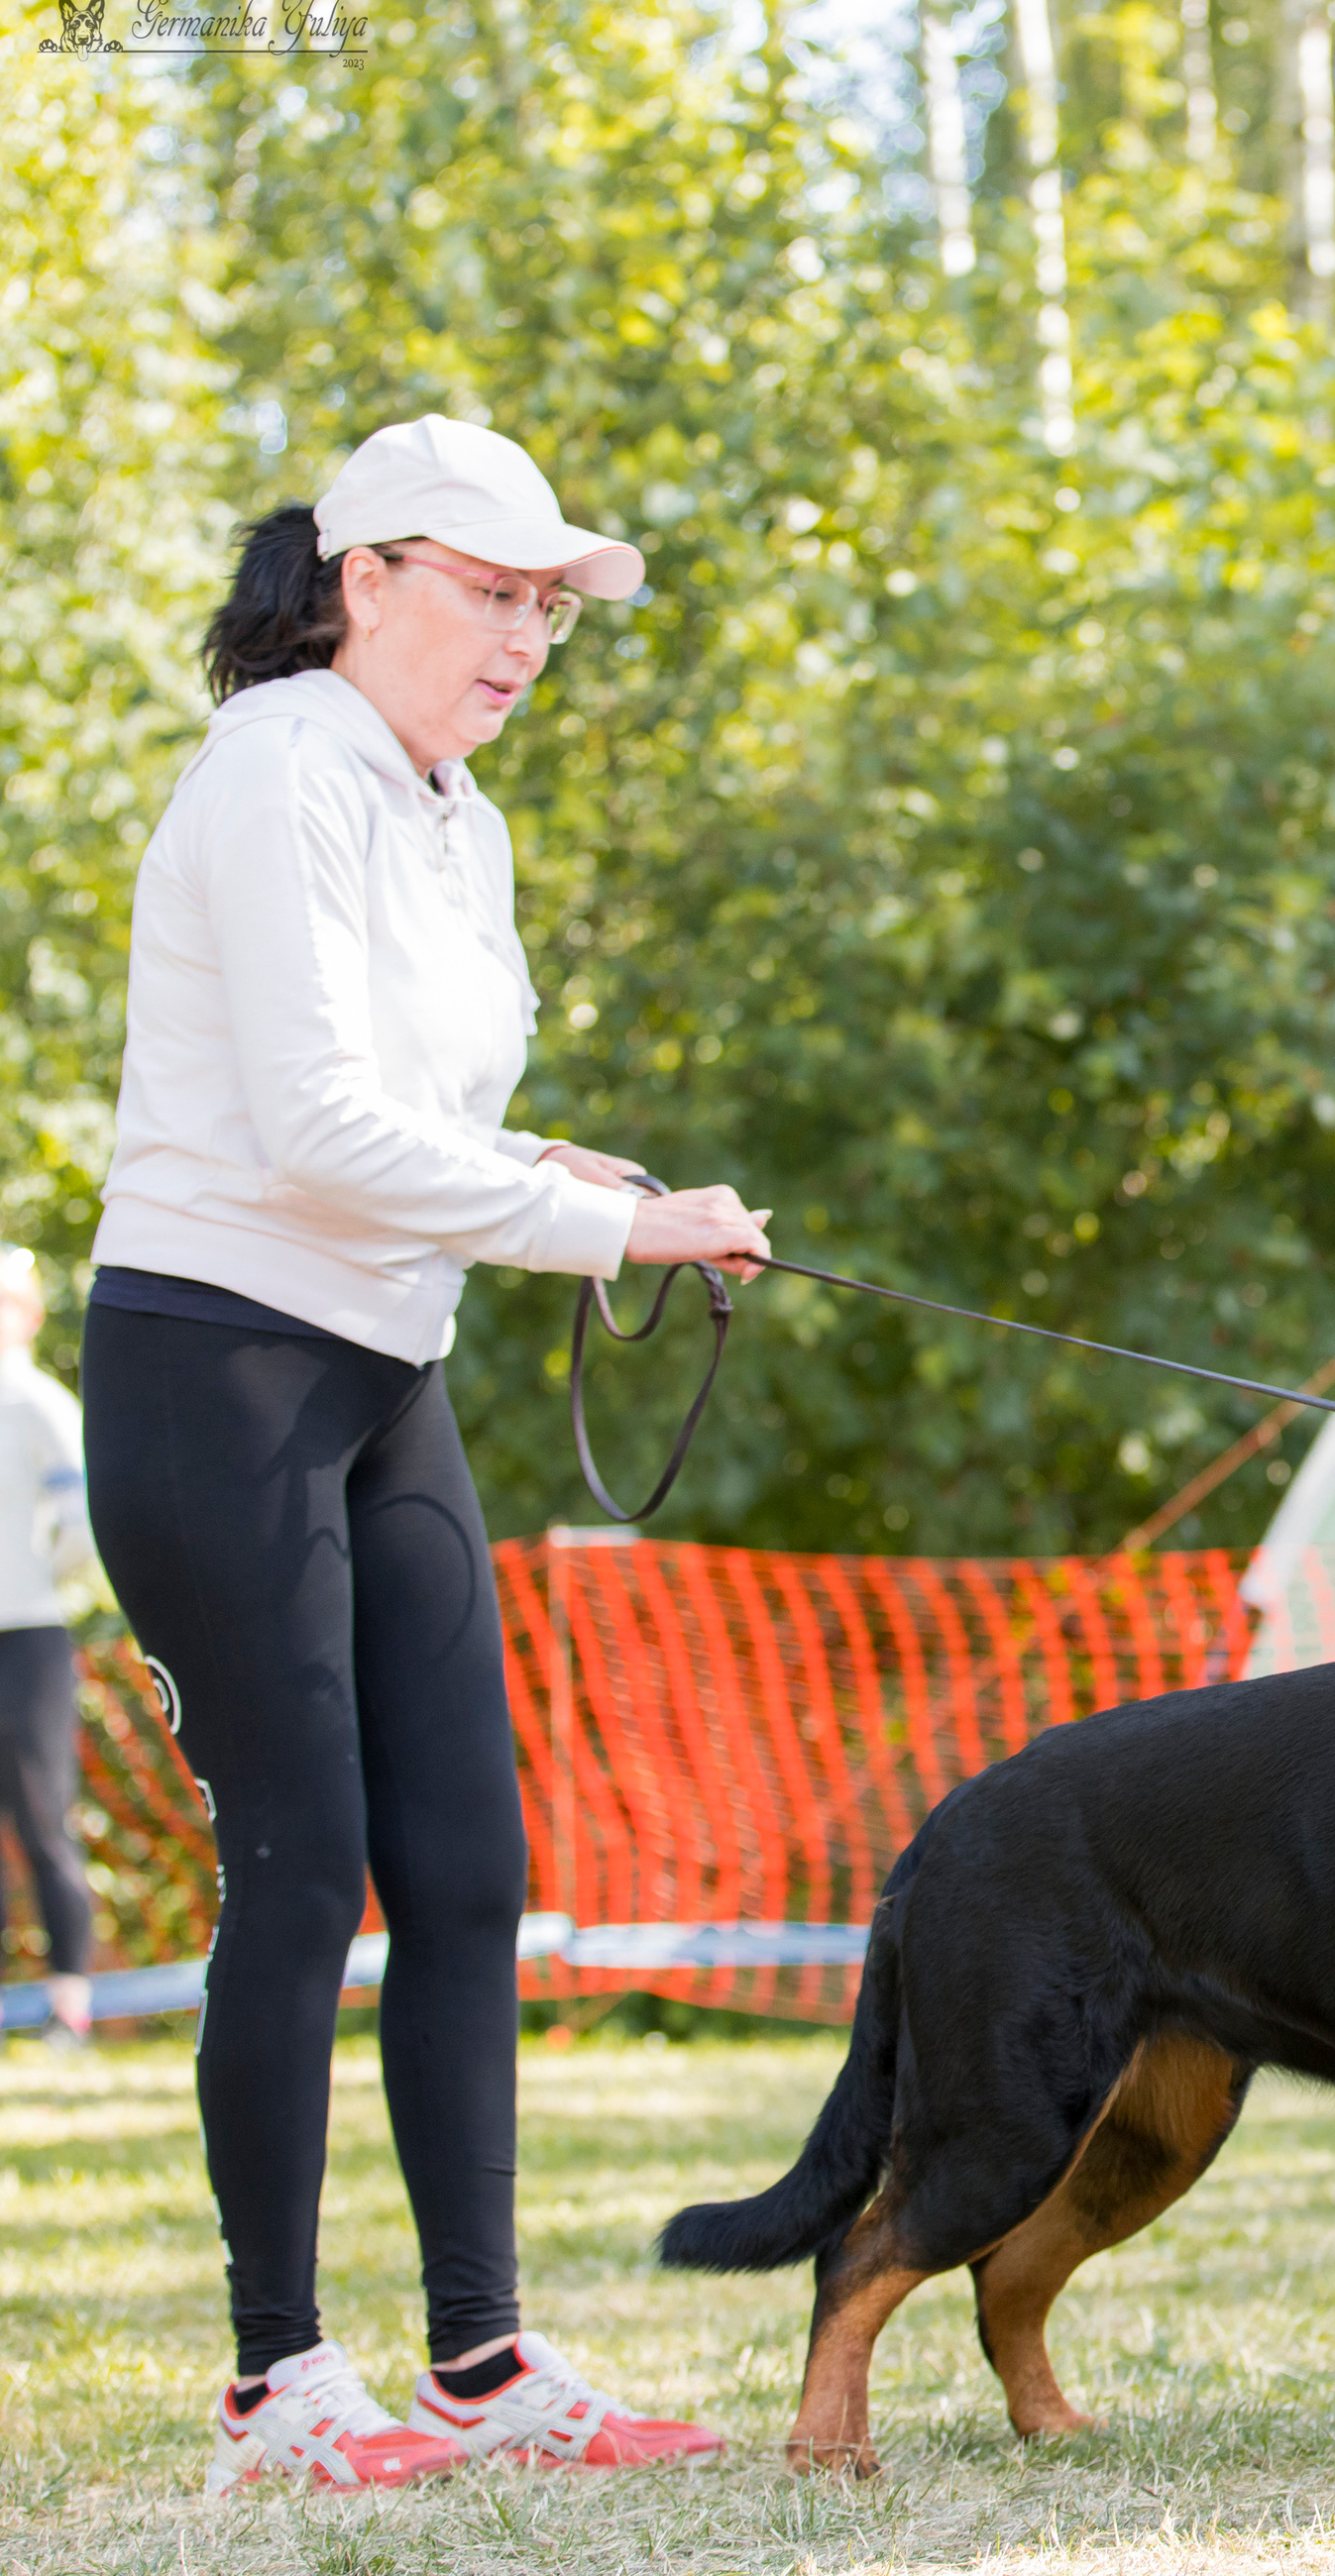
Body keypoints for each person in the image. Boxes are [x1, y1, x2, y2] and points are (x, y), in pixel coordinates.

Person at [80, 414, 772, 2497]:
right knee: (302, 1869)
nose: (525, 636)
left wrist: (556, 1163)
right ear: (361, 576)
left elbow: (412, 1107)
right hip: (216, 1363)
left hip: (385, 1369)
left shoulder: (453, 810)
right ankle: (277, 2382)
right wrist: (608, 1229)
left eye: (548, 604)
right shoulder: (279, 762)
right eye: (489, 591)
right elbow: (308, 1132)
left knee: (469, 1868)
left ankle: (479, 2356)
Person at [0, 1246, 96, 2043]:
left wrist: (37, 1577)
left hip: (28, 1637)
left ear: (29, 1312)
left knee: (41, 1818)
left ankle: (70, 2004)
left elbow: (81, 1520)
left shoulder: (38, 1402)